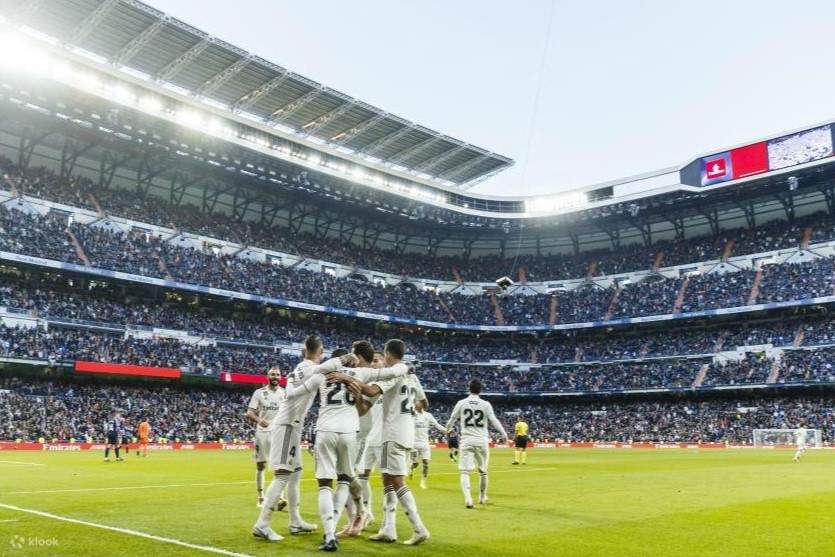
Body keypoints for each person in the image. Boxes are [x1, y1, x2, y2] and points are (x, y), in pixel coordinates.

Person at [289, 340, 413, 551]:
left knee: (325, 485)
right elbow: (393, 372)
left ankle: (329, 536)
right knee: (345, 481)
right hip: (349, 433)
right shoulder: (361, 374)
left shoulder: (322, 374)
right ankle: (349, 519)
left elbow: (293, 393)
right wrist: (404, 365)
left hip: (326, 430)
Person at [251, 336, 356, 542]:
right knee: (282, 475)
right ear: (320, 351)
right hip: (287, 425)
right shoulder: (312, 369)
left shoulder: (298, 368)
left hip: (292, 426)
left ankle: (295, 521)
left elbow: (294, 390)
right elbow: (333, 365)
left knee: (295, 473)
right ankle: (262, 524)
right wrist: (349, 357)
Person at [347, 339, 430, 545]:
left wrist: (349, 380)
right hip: (406, 433)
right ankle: (388, 527)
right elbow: (423, 403)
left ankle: (419, 527)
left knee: (397, 481)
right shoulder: (411, 377)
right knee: (387, 479)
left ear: (388, 355)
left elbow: (372, 391)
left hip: (391, 433)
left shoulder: (393, 373)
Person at [445, 379, 508, 508]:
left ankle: (468, 499)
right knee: (483, 471)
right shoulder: (485, 404)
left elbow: (452, 419)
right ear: (480, 390)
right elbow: (494, 420)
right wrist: (504, 433)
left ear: (469, 388)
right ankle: (482, 496)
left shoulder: (461, 403)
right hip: (481, 441)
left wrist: (447, 429)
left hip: (467, 440)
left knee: (465, 472)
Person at [245, 367, 286, 508]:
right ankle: (261, 497)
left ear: (281, 377)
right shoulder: (259, 393)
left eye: (278, 375)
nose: (275, 376)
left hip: (279, 432)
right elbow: (249, 412)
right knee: (261, 465)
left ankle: (280, 498)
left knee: (280, 466)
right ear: (267, 376)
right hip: (262, 432)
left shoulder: (285, 393)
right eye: (272, 374)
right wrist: (259, 420)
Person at [410, 402, 446, 489]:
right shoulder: (412, 415)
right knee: (415, 464)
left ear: (422, 405)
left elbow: (436, 425)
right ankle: (411, 469)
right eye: (415, 404)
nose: (416, 405)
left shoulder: (428, 415)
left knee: (426, 463)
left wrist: (446, 430)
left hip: (425, 443)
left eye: (417, 404)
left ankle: (423, 482)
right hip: (414, 444)